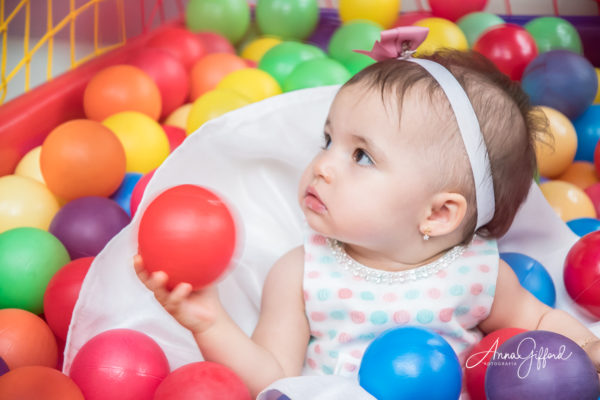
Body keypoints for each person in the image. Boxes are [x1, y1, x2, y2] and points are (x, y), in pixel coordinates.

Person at [134, 27, 600, 397]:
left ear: (438, 215)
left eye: (361, 157)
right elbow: (271, 375)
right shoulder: (300, 272)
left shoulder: (479, 273)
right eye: (328, 141)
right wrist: (211, 322)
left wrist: (589, 351)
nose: (322, 166)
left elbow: (540, 323)